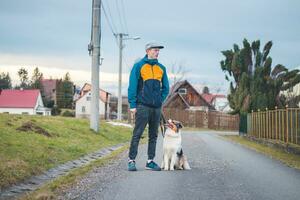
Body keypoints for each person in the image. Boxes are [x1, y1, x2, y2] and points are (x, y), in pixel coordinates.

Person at [127, 42, 169, 171]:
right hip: (142, 106)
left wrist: (159, 100)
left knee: (154, 135)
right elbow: (132, 86)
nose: (157, 52)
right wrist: (133, 104)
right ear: (148, 51)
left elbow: (166, 88)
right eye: (155, 50)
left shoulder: (161, 68)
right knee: (137, 134)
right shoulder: (139, 66)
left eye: (158, 51)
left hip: (156, 108)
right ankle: (131, 160)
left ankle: (150, 161)